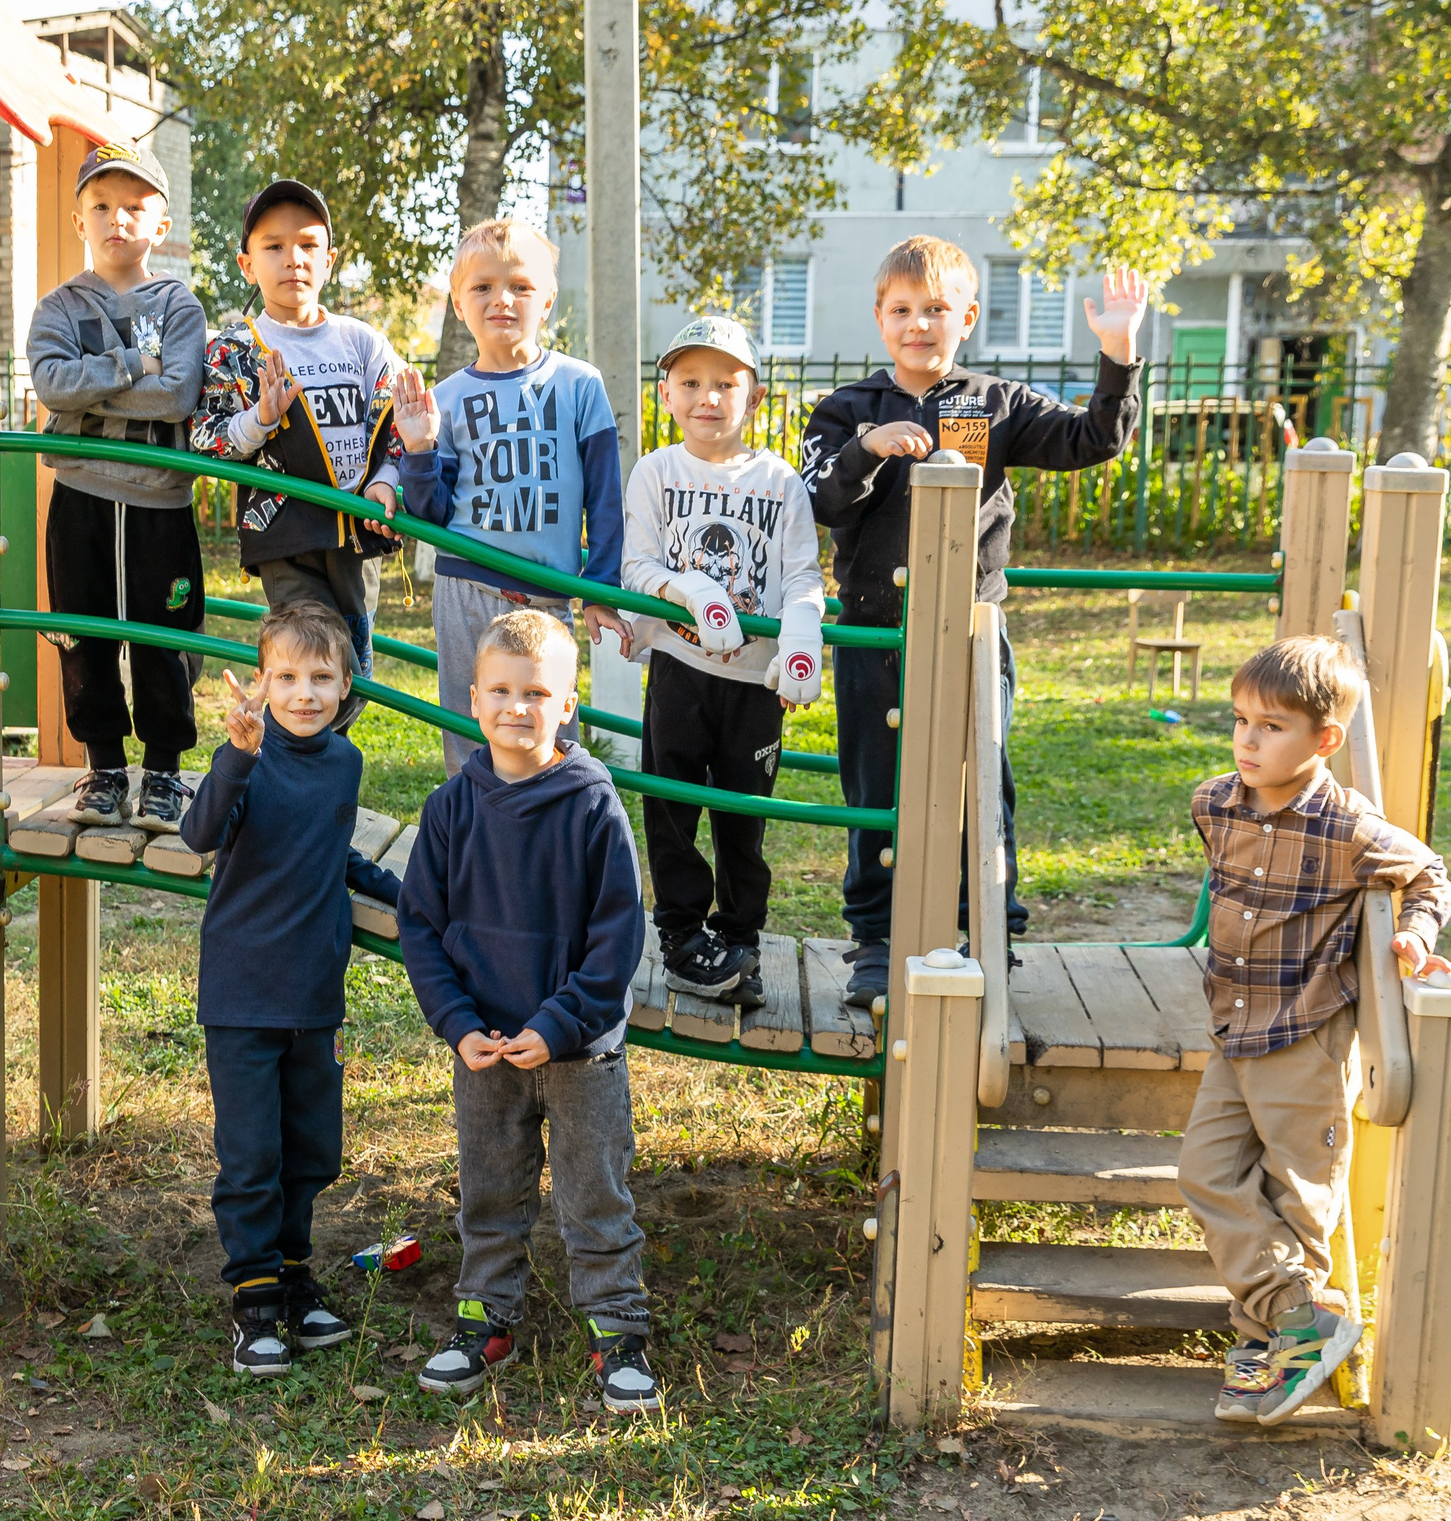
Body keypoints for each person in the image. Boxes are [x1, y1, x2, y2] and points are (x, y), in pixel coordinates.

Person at [799, 235, 1152, 1005]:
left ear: (967, 317)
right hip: (875, 635)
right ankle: (877, 938)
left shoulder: (995, 403)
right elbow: (820, 498)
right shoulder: (845, 410)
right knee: (874, 785)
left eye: (935, 309)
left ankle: (984, 925)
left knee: (979, 781)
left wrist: (1118, 355)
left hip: (968, 631)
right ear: (879, 317)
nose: (917, 324)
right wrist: (868, 449)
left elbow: (1093, 440)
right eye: (901, 310)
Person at [1180, 636, 1451, 1425]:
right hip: (1233, 1029)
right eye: (1240, 720)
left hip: (1303, 1037)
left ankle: (1272, 1339)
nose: (1247, 740)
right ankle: (1298, 1318)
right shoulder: (1215, 803)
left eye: (1271, 726)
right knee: (1205, 1171)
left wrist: (1416, 934)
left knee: (1298, 1198)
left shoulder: (1349, 829)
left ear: (1324, 739)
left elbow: (1430, 874)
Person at [396, 610, 657, 1413]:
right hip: (485, 1047)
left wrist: (558, 1025)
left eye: (536, 691)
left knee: (594, 1192)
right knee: (490, 1189)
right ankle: (486, 1319)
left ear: (568, 704)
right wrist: (457, 1024)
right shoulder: (451, 809)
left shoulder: (591, 805)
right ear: (473, 699)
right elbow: (422, 927)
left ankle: (617, 1330)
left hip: (578, 1053)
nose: (518, 706)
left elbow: (618, 936)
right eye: (502, 691)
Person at [179, 601, 403, 1375]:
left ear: (347, 684)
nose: (304, 693)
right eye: (286, 676)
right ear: (263, 683)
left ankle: (294, 1274)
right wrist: (236, 756)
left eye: (321, 676)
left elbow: (332, 853)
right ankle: (255, 1303)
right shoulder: (245, 753)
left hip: (315, 995)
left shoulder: (344, 762)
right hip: (243, 994)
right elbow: (199, 834)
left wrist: (408, 895)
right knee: (252, 1155)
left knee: (311, 1149)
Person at [620, 315, 827, 1006]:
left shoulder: (779, 481)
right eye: (691, 383)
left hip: (753, 680)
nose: (708, 397)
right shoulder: (655, 471)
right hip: (680, 671)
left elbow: (802, 578)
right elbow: (637, 564)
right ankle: (680, 934)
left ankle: (739, 938)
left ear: (756, 396)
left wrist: (801, 638)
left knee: (744, 814)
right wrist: (688, 588)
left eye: (725, 383)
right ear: (668, 393)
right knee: (672, 806)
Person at [391, 218, 630, 775]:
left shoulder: (580, 384)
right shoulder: (444, 398)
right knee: (472, 732)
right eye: (482, 287)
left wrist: (599, 589)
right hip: (466, 587)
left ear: (547, 299)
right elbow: (431, 513)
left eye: (521, 286)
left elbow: (605, 496)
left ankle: (550, 847)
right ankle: (474, 844)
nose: (502, 299)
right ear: (458, 302)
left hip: (548, 598)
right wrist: (420, 448)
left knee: (549, 739)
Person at [27, 141, 211, 833]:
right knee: (84, 633)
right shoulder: (60, 304)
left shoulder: (179, 304)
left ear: (160, 225)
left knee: (165, 637)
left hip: (159, 498)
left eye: (135, 207)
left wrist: (87, 399)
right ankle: (104, 767)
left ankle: (163, 771)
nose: (117, 220)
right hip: (81, 495)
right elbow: (50, 383)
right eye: (100, 206)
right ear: (80, 223)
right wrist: (136, 360)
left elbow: (177, 396)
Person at [189, 180, 404, 704]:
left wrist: (385, 481)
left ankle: (325, 769)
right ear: (247, 265)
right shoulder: (234, 349)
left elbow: (397, 425)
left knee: (355, 674)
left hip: (356, 534)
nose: (293, 260)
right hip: (285, 537)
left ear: (329, 260)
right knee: (311, 658)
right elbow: (203, 437)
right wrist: (259, 420)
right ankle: (294, 768)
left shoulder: (363, 342)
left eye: (308, 245)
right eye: (274, 247)